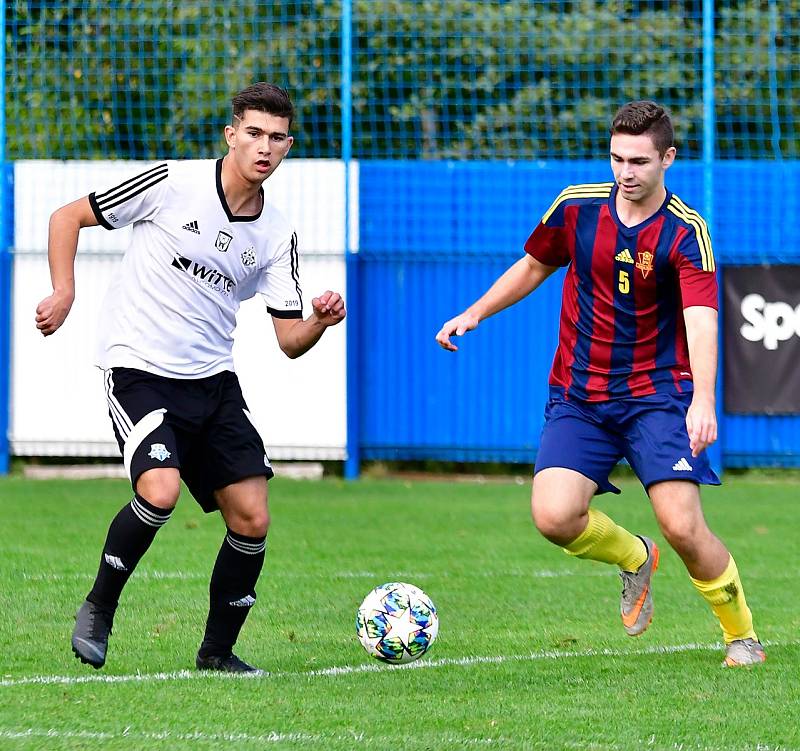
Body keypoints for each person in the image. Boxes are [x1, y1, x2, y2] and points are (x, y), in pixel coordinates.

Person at [436, 100, 764, 667]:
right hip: (578, 396)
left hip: (657, 398)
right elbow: (533, 266)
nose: (625, 172)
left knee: (683, 525)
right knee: (554, 517)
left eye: (638, 160)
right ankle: (635, 556)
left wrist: (705, 399)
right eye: (616, 158)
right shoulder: (575, 207)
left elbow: (702, 318)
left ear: (667, 158)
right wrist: (477, 311)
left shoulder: (688, 232)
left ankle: (742, 634)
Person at [35, 82, 346, 673]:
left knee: (252, 515)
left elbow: (288, 342)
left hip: (213, 382)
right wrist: (64, 290)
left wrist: (320, 323)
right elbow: (66, 216)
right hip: (139, 371)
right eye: (253, 133)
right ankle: (99, 607)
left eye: (277, 139)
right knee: (160, 491)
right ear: (231, 135)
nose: (264, 147)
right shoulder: (172, 183)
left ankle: (217, 653)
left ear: (287, 148)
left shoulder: (277, 236)